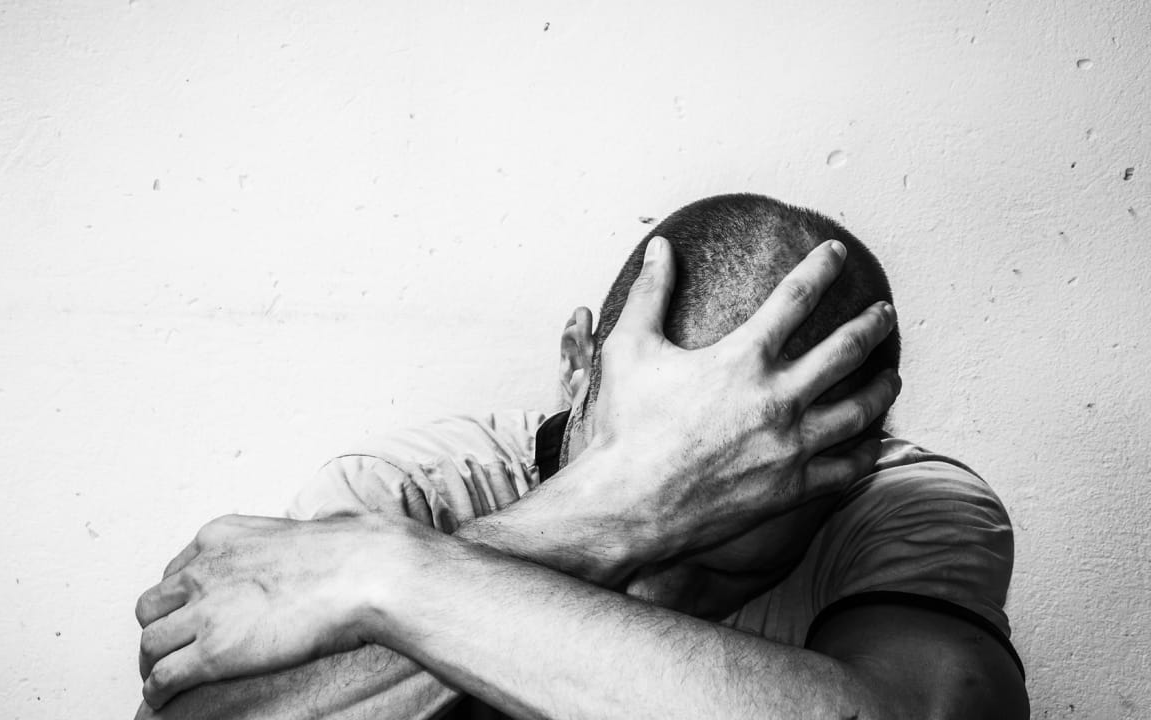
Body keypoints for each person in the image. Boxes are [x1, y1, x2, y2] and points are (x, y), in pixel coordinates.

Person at [134, 194, 1028, 719]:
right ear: (576, 366)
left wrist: (395, 581)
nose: (672, 557)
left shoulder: (908, 504)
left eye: (737, 496)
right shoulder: (408, 493)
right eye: (664, 461)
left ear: (848, 452)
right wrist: (603, 516)